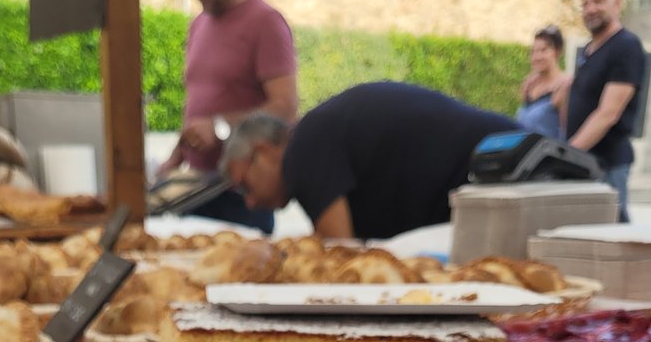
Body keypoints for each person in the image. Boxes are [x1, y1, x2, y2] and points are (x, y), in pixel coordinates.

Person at [221, 81, 515, 241]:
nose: (249, 203)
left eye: (244, 186)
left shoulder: (302, 149)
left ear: (264, 150)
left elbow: (343, 255)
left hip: (510, 169)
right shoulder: (315, 140)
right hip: (510, 159)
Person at [159, 0, 298, 234]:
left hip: (241, 194)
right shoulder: (198, 25)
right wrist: (174, 158)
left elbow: (286, 107)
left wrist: (220, 127)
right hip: (195, 190)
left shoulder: (265, 22)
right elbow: (198, 103)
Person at [565, 0, 646, 221]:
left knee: (612, 240)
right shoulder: (590, 50)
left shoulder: (625, 46)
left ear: (617, 4)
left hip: (607, 165)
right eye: (586, 3)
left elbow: (607, 114)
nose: (591, 9)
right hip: (587, 163)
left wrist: (566, 155)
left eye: (599, 1)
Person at [516, 25, 569, 138]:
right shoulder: (529, 85)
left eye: (543, 50)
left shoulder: (565, 86)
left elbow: (568, 133)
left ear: (557, 51)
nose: (537, 56)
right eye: (534, 51)